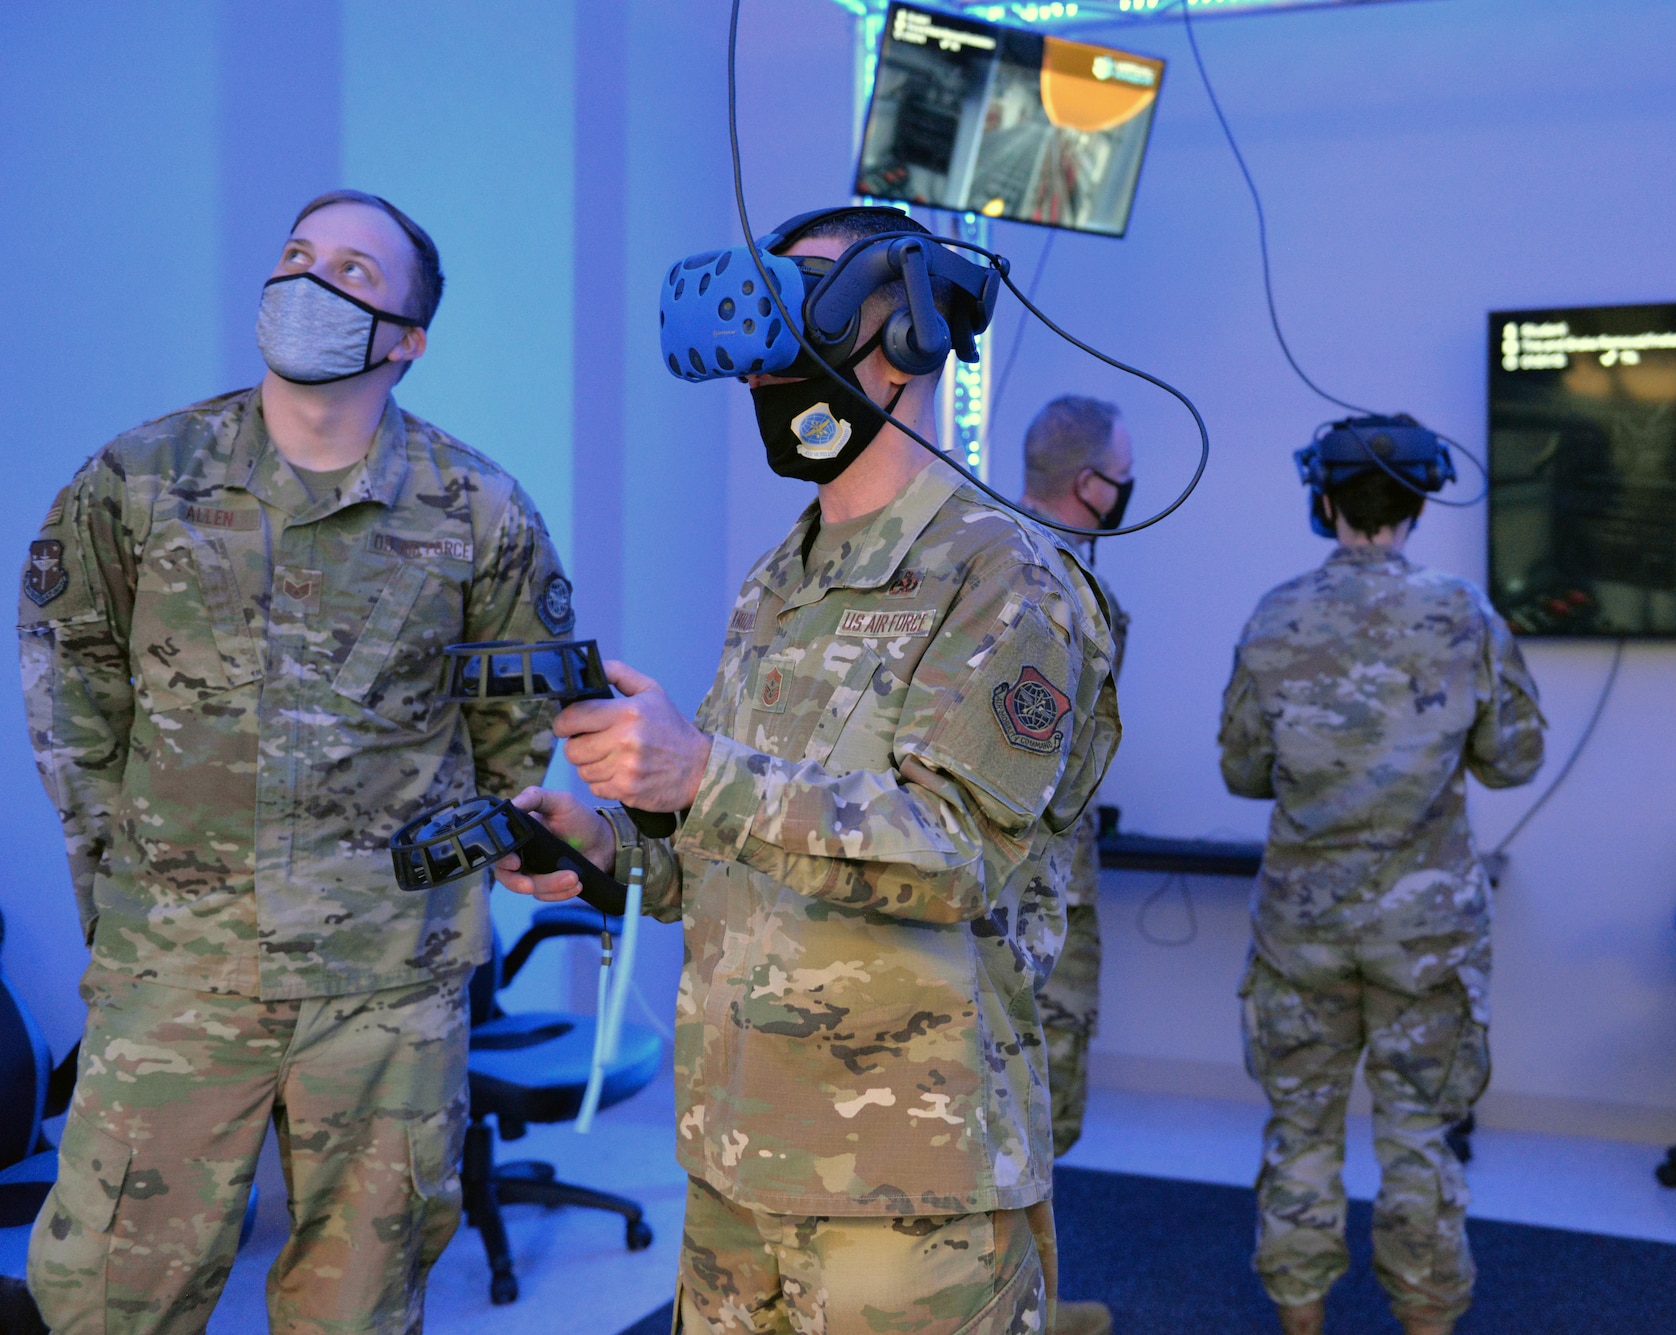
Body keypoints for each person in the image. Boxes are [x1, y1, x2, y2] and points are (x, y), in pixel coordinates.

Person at [495, 207, 1121, 1335]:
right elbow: (728, 858)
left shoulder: (1006, 577)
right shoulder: (779, 576)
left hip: (905, 1189)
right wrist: (605, 853)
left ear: (915, 325)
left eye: (805, 310)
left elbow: (957, 857)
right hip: (739, 1159)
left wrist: (697, 775)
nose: (774, 362)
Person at [21, 191, 571, 1335]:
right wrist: (125, 892)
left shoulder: (480, 511)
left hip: (387, 992)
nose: (311, 281)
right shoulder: (138, 481)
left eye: (355, 272)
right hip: (176, 974)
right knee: (110, 1296)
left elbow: (519, 739)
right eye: (296, 255)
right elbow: (73, 693)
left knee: (357, 1307)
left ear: (406, 338)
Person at [1217, 424, 1545, 1335]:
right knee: (1418, 1141)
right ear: (1417, 504)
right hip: (1426, 936)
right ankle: (1429, 1321)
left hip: (1300, 932)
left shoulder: (1275, 614)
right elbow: (1514, 760)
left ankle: (1301, 1320)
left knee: (1300, 1137)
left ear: (1323, 501)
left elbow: (1242, 772)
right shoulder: (1464, 613)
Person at [1015, 396, 1133, 1335]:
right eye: (1125, 470)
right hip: (1038, 897)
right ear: (1091, 484)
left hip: (987, 892)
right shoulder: (1063, 589)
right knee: (1034, 1114)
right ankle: (1018, 1314)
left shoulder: (972, 552)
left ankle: (1030, 1304)